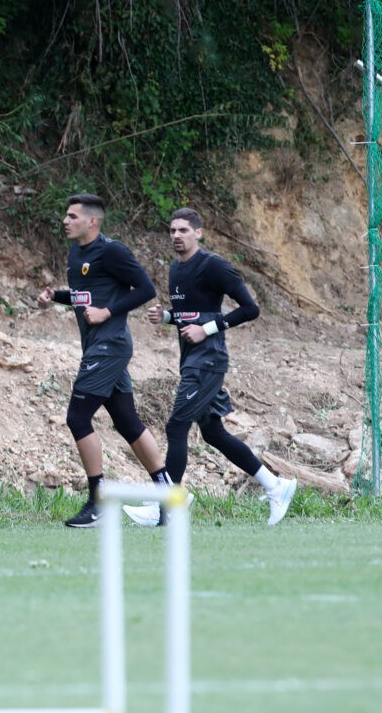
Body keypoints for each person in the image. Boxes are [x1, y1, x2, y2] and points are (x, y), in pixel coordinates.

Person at [123, 207, 297, 527]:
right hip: (191, 360)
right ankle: (275, 486)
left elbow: (250, 309)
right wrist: (166, 317)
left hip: (208, 360)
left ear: (198, 233)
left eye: (183, 230)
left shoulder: (213, 265)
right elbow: (189, 315)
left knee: (176, 427)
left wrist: (208, 329)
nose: (176, 236)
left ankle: (167, 506)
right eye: (172, 230)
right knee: (213, 432)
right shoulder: (176, 269)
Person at [36, 193, 172, 528]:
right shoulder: (75, 253)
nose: (65, 221)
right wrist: (56, 296)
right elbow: (86, 297)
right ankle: (168, 496)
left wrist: (108, 312)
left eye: (72, 216)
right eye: (66, 215)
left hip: (110, 346)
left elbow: (146, 290)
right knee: (126, 421)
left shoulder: (112, 251)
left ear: (92, 221)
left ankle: (98, 502)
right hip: (97, 346)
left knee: (77, 417)